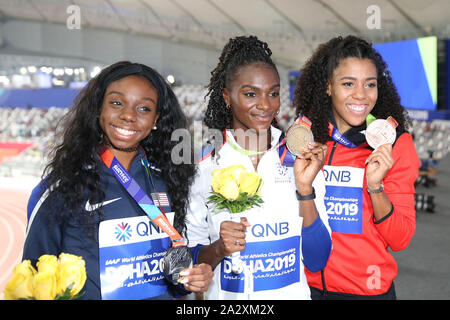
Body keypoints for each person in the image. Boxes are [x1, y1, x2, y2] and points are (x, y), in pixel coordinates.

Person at [23, 61, 213, 300]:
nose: (128, 116)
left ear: (156, 119)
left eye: (144, 108)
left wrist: (191, 277)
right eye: (116, 103)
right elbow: (33, 278)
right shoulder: (61, 188)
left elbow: (174, 278)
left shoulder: (169, 181)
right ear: (98, 109)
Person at [185, 35, 332, 299]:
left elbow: (317, 259)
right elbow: (193, 261)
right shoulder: (205, 167)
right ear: (227, 97)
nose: (266, 105)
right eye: (251, 94)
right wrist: (219, 248)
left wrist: (305, 190)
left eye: (273, 93)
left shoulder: (300, 158)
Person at [293, 35, 420, 299]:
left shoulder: (394, 146)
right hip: (304, 288)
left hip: (366, 291)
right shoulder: (304, 140)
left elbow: (401, 239)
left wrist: (375, 188)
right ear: (328, 86)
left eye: (369, 84)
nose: (360, 95)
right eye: (348, 83)